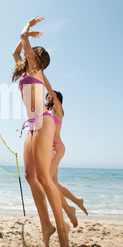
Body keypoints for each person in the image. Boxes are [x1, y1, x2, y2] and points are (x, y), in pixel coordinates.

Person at [12, 16, 69, 247]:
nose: (27, 55)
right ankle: (47, 226)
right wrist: (24, 39)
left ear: (36, 59)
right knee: (29, 176)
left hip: (42, 123)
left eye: (31, 54)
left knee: (45, 178)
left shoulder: (35, 68)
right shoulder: (26, 67)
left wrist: (27, 26)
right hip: (31, 124)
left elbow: (23, 40)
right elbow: (16, 52)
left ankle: (62, 230)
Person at [45, 90, 88, 227]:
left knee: (47, 182)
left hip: (56, 147)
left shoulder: (58, 110)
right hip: (48, 150)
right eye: (47, 94)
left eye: (51, 94)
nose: (48, 95)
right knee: (53, 184)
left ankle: (70, 208)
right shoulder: (46, 111)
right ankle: (74, 203)